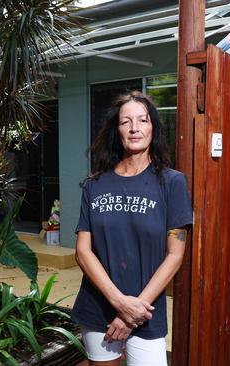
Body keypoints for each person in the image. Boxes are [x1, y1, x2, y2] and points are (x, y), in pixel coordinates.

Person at [72, 91, 193, 366]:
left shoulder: (171, 183)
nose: (135, 128)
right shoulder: (95, 184)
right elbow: (83, 251)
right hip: (98, 306)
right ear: (117, 130)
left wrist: (132, 312)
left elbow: (175, 255)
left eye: (143, 120)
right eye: (126, 122)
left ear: (154, 128)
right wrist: (121, 304)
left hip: (145, 311)